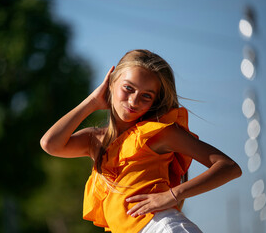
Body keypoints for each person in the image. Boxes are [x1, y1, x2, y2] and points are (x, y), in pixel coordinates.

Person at [40, 49, 242, 233]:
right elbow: (50, 144)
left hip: (162, 227)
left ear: (155, 102)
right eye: (128, 88)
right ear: (110, 84)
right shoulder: (95, 139)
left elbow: (229, 167)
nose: (134, 101)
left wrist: (172, 195)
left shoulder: (159, 133)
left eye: (146, 96)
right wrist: (92, 101)